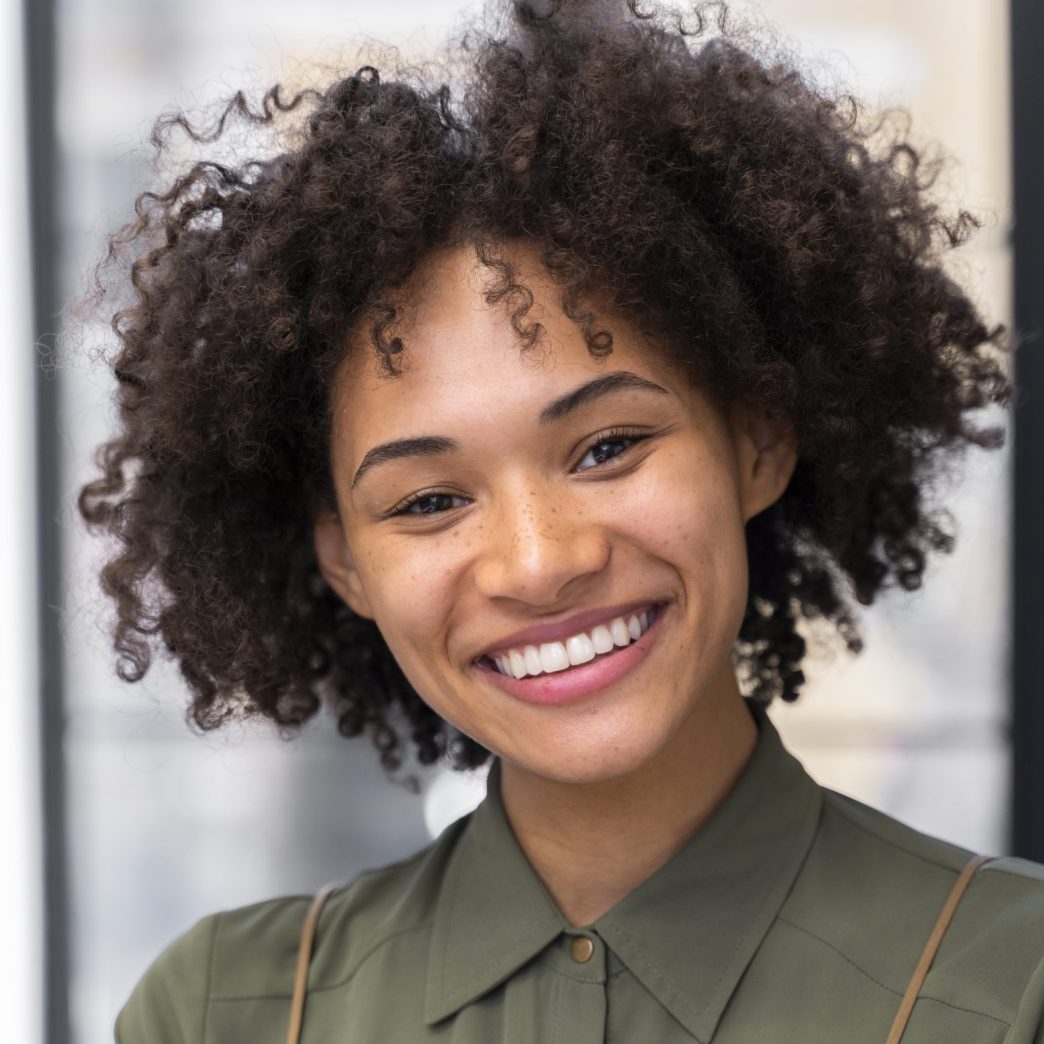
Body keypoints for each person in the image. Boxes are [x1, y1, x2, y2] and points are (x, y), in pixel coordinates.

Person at [79, 0, 1044, 1040]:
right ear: (344, 562)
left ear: (757, 442)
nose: (540, 563)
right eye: (430, 501)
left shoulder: (1012, 985)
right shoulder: (221, 1013)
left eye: (607, 447)